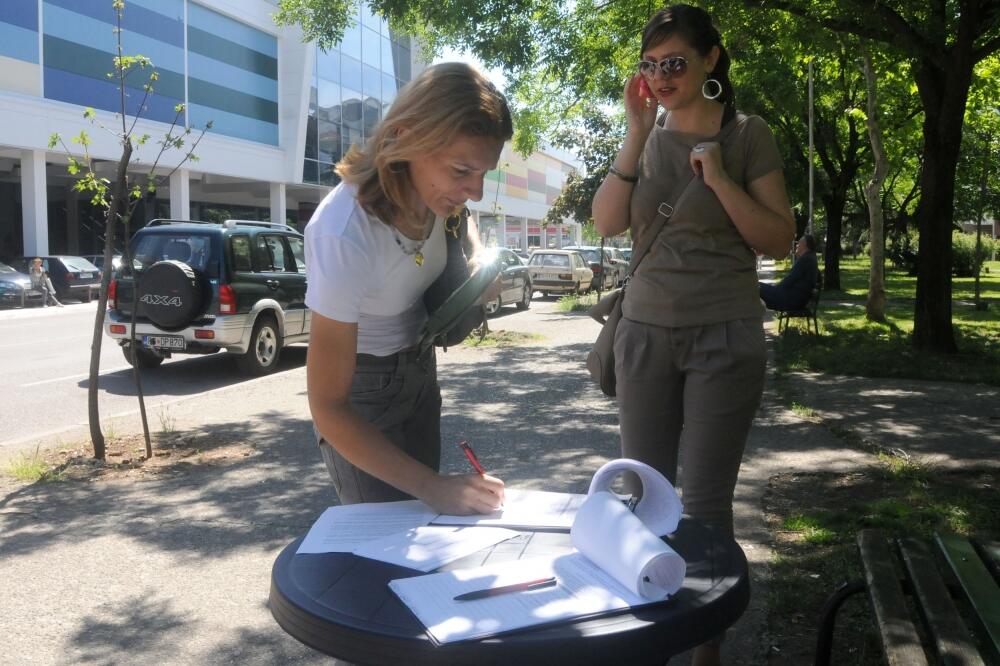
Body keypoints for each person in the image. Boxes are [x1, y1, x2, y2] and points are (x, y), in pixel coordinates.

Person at [591, 6, 794, 663]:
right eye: (650, 66)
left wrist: (723, 180)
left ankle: (704, 653)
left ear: (711, 59)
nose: (660, 76)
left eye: (673, 62)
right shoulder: (647, 138)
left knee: (704, 505)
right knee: (643, 495)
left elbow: (779, 239)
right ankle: (649, 637)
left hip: (723, 337)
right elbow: (607, 224)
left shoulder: (747, 134)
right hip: (645, 333)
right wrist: (633, 130)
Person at [304, 63, 511, 515]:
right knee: (381, 547)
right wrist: (435, 487)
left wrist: (475, 259)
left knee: (418, 537)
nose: (474, 191)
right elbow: (328, 406)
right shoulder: (342, 232)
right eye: (461, 170)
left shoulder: (435, 193)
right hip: (361, 396)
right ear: (405, 137)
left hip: (419, 372)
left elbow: (466, 221)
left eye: (484, 173)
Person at [759, 234, 819, 310]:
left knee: (755, 286)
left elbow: (790, 279)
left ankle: (748, 317)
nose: (797, 245)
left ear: (805, 245)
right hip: (797, 298)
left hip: (792, 299)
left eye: (799, 243)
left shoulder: (805, 259)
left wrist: (776, 289)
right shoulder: (811, 257)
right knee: (756, 286)